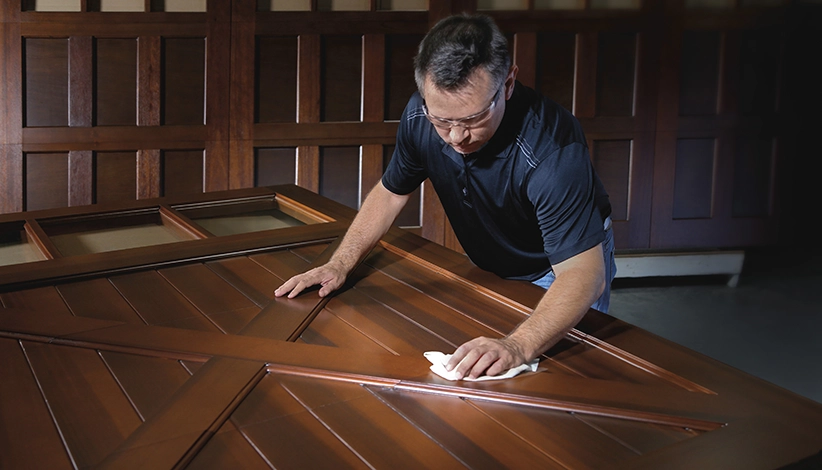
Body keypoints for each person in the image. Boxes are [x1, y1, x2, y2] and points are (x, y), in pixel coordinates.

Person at [275, 13, 616, 380]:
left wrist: (518, 345)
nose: (455, 138)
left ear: (508, 83)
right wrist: (339, 263)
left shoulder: (552, 150)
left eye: (472, 120)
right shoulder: (420, 116)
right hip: (492, 262)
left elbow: (583, 273)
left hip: (558, 268)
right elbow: (391, 193)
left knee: (565, 378)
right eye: (442, 121)